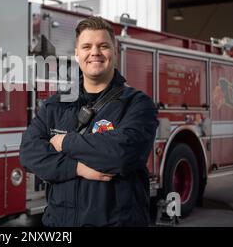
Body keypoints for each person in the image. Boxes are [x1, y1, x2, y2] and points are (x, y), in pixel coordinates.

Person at [20, 16, 158, 226]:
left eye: (103, 46)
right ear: (76, 54)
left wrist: (64, 143)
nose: (95, 52)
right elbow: (29, 153)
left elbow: (122, 153)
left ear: (114, 52)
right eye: (86, 46)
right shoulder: (55, 105)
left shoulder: (138, 104)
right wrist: (78, 168)